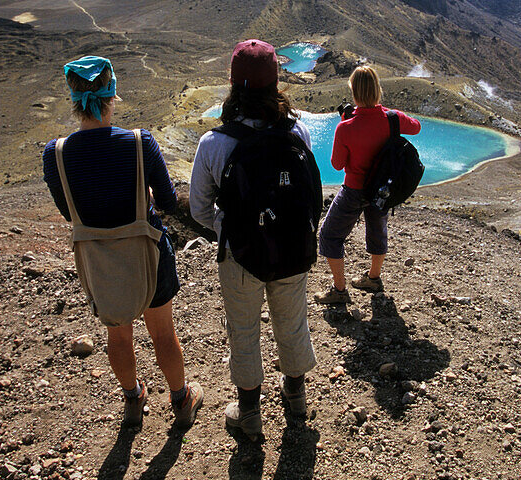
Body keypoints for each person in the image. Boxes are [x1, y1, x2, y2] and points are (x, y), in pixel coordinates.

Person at [42, 56, 203, 430]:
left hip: (98, 257)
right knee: (163, 331)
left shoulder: (56, 154)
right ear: (112, 94)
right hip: (147, 251)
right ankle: (181, 400)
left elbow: (70, 213)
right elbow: (166, 201)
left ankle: (133, 399)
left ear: (74, 98)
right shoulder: (138, 142)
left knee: (118, 331)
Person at [190, 39, 318, 440]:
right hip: (293, 247)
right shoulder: (298, 132)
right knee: (292, 323)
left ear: (233, 84)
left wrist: (230, 230)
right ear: (275, 81)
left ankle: (249, 416)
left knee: (243, 331)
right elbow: (311, 195)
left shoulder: (214, 142)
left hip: (239, 256)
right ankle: (296, 399)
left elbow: (198, 209)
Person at [314, 65, 421, 304]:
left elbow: (336, 164)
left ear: (354, 92)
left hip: (354, 190)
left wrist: (347, 123)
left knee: (330, 236)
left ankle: (339, 291)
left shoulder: (346, 127)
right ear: (378, 89)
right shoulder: (392, 119)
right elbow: (416, 126)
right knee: (377, 230)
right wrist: (391, 115)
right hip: (383, 190)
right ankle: (373, 278)